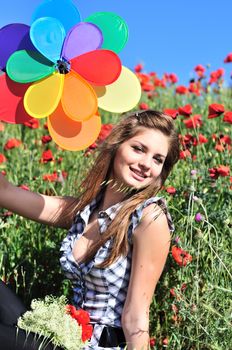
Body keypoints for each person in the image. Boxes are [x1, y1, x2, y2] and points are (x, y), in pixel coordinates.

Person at [0, 109, 180, 350]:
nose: (147, 164)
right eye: (139, 149)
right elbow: (5, 192)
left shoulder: (149, 217)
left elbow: (136, 316)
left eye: (158, 159)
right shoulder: (81, 211)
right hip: (64, 337)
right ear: (117, 146)